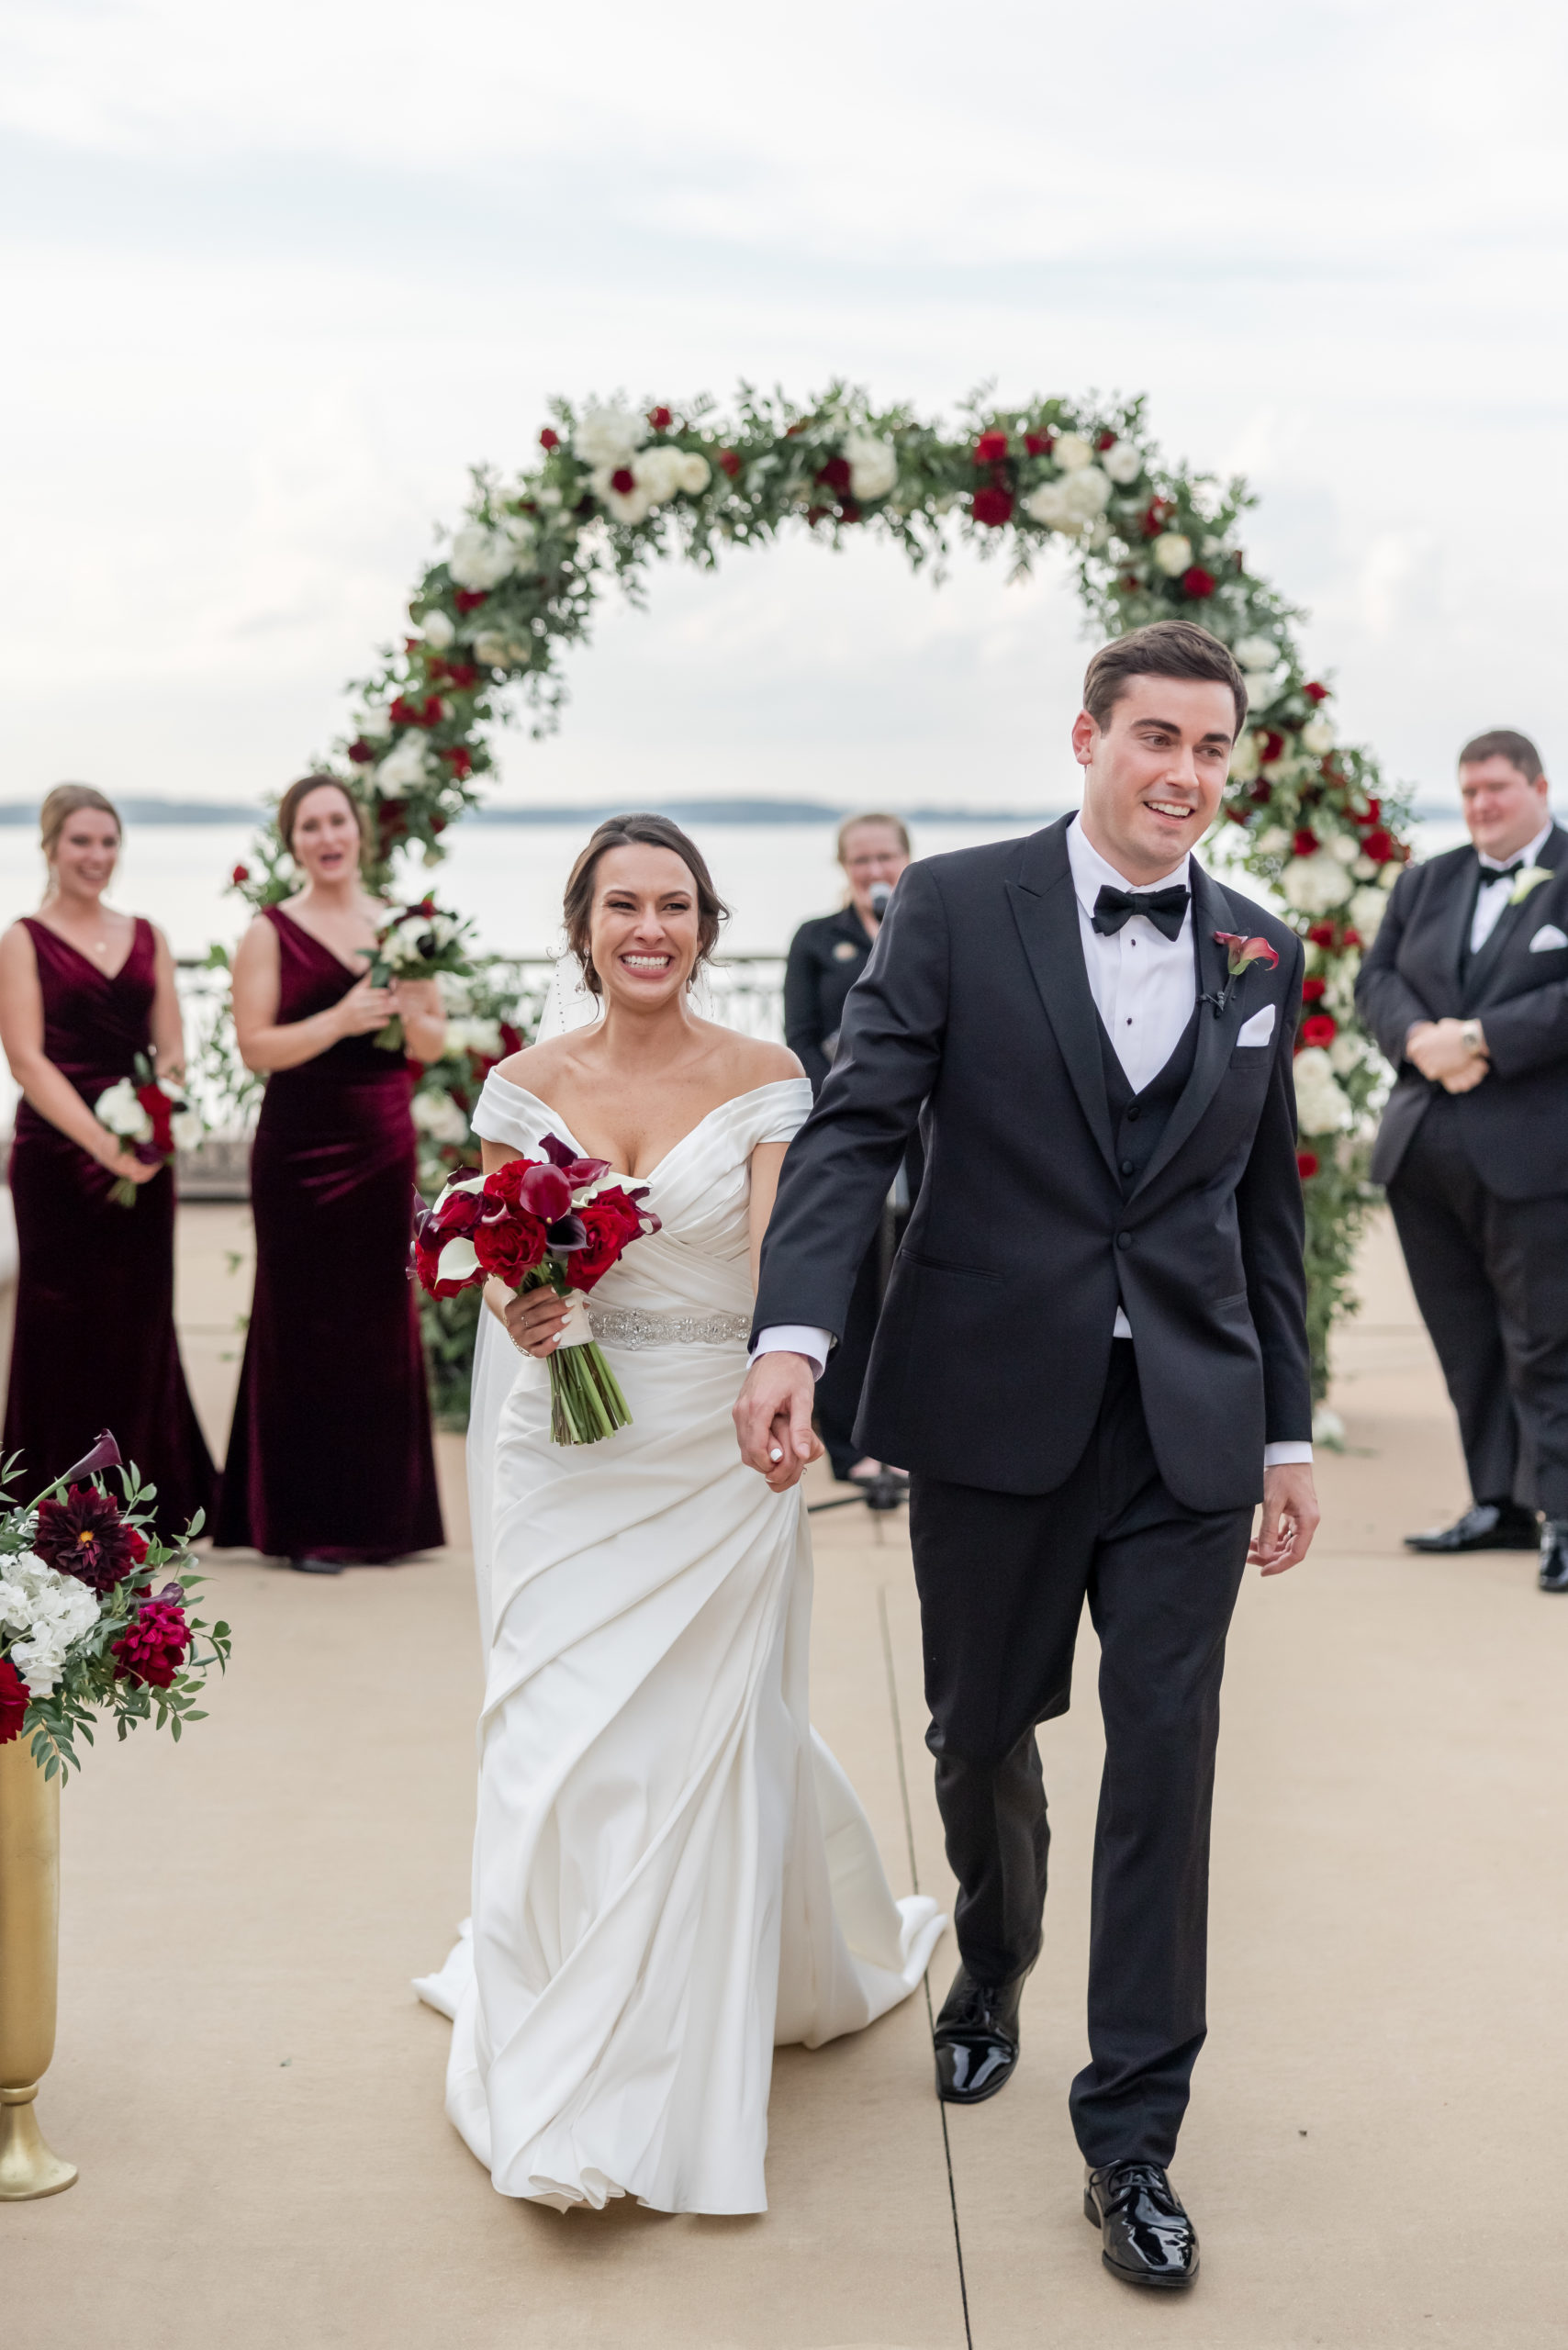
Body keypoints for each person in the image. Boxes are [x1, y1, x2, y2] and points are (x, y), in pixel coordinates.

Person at [737, 621, 1316, 2292]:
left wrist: (1280, 1427)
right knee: (979, 1724)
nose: (1184, 777)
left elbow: (1256, 1207)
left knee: (1165, 1759)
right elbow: (855, 1127)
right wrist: (796, 1335)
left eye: (1211, 750)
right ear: (1085, 739)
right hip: (993, 1404)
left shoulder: (1261, 953)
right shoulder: (952, 907)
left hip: (1187, 1428)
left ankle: (1129, 2137)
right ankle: (988, 1961)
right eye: (1155, 739)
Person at [414, 812, 944, 2215]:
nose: (647, 929)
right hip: (560, 1456)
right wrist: (515, 1297)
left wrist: (787, 1377)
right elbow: (483, 1250)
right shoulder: (524, 1082)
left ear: (707, 926)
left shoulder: (768, 1078)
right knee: (551, 1738)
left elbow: (788, 1257)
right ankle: (552, 2013)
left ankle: (661, 2051)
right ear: (581, 927)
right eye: (619, 905)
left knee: (682, 1752)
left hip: (715, 1448)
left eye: (673, 906)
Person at [216, 775, 445, 1572]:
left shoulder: (403, 927)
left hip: (382, 1140)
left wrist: (413, 1007)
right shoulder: (270, 931)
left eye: (337, 820)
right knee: (302, 1324)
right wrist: (341, 1019)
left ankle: (388, 1519)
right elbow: (255, 1047)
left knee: (381, 1321)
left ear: (359, 832)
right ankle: (304, 1525)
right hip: (299, 1148)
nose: (326, 836)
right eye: (309, 825)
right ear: (294, 842)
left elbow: (431, 1045)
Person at [1356, 730, 1568, 1590]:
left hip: (1538, 1156)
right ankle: (1500, 1504)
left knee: (1548, 1340)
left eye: (1497, 789)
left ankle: (1565, 1516)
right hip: (1422, 1149)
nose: (1481, 805)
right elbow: (1376, 983)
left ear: (1539, 787)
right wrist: (1418, 1040)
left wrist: (1481, 1037)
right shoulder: (1426, 880)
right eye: (1469, 791)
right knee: (1467, 1341)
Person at [0, 785, 216, 1537]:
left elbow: (175, 1048)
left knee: (140, 1317)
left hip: (146, 1160)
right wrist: (105, 1144)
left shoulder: (148, 933)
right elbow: (26, 1059)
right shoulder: (24, 938)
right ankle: (50, 1506)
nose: (96, 857)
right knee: (58, 1324)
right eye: (81, 842)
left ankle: (143, 1501)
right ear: (51, 848)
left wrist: (159, 1123)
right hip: (58, 1161)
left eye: (108, 842)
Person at [783, 812, 915, 1483]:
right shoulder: (816, 940)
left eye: (884, 857)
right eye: (860, 860)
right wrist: (844, 1093)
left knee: (916, 1279)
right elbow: (799, 1035)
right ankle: (849, 1439)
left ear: (906, 859)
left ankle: (910, 1432)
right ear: (844, 867)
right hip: (848, 1123)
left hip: (921, 1131)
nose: (873, 871)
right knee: (855, 1281)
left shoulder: (923, 927)